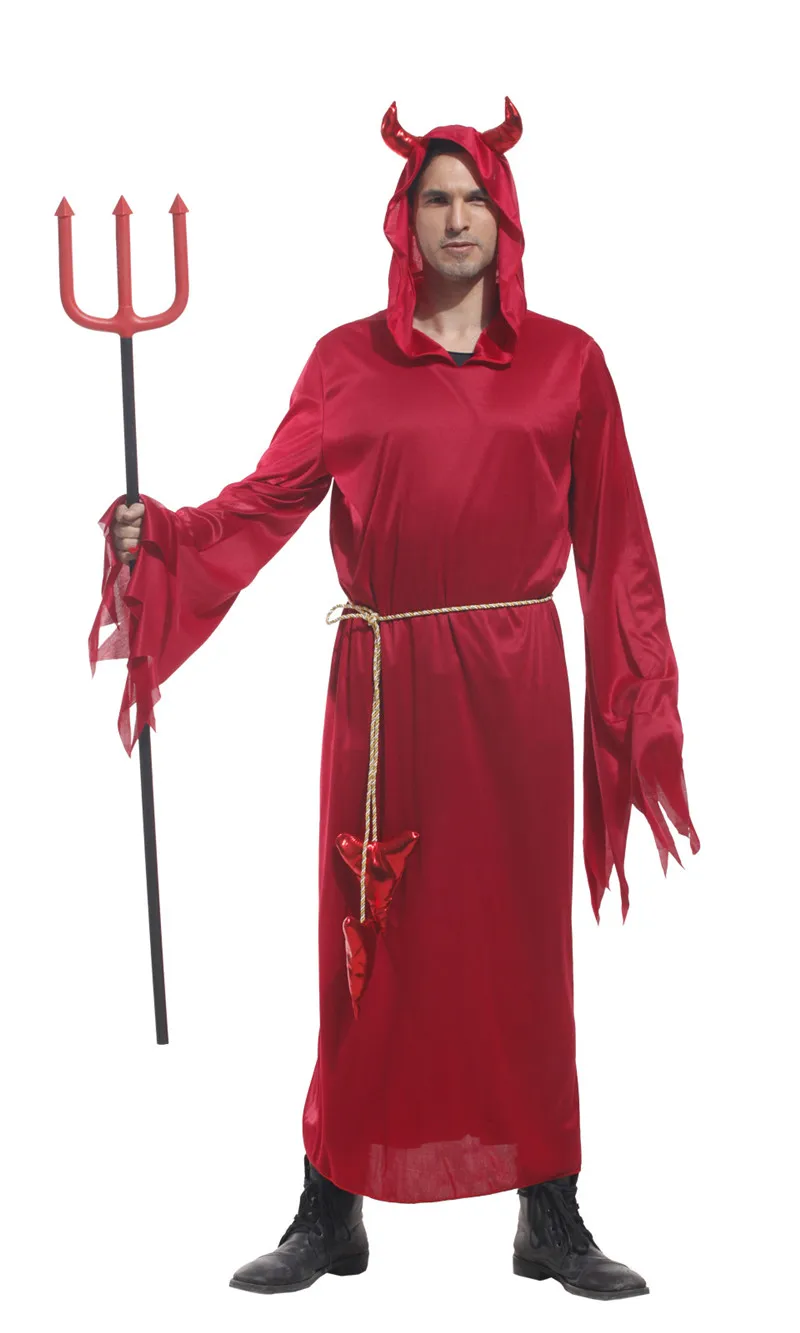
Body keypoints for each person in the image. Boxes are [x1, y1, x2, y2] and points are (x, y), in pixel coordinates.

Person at [91, 97, 700, 1301]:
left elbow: (616, 545)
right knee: (364, 936)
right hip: (381, 685)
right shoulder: (344, 363)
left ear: (504, 219)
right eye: (434, 199)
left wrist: (639, 694)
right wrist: (157, 537)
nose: (455, 217)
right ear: (403, 220)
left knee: (518, 946)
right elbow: (263, 503)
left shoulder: (568, 363)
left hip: (514, 687)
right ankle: (331, 1208)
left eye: (474, 199)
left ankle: (548, 1211)